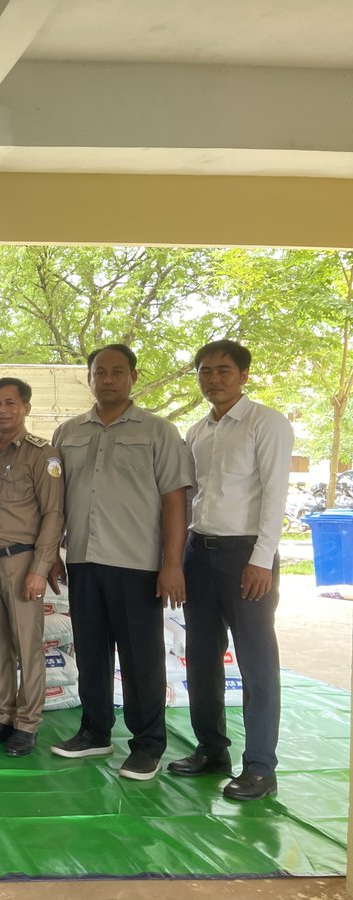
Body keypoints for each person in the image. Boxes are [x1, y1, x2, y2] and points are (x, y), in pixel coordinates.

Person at [50, 344, 192, 780]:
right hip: (83, 559)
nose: (108, 379)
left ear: (133, 376)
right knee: (90, 653)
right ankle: (95, 732)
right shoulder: (67, 433)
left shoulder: (158, 431)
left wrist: (172, 564)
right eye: (100, 372)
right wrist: (52, 552)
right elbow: (55, 501)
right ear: (89, 378)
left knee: (140, 660)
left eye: (117, 371)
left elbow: (175, 500)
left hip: (137, 563)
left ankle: (147, 745)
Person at [168, 340, 293, 801]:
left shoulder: (267, 423)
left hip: (246, 556)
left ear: (243, 375)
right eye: (205, 371)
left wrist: (261, 559)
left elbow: (275, 495)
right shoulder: (198, 431)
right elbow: (190, 497)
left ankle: (259, 766)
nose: (213, 379)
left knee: (256, 661)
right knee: (202, 656)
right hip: (199, 552)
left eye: (223, 370)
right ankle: (211, 750)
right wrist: (177, 557)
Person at [0, 378, 64, 757]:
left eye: (10, 403)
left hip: (23, 561)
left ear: (25, 408)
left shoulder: (43, 455)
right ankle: (1, 716)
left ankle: (27, 724)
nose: (2, 410)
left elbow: (54, 514)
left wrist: (40, 568)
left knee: (27, 645)